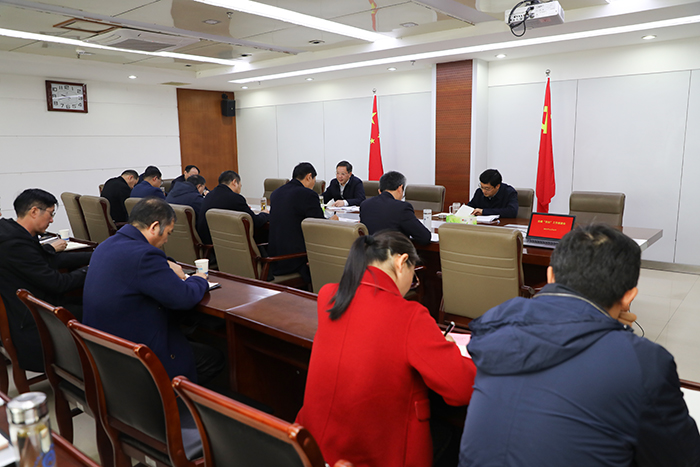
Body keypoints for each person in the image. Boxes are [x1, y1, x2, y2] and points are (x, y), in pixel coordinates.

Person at [459, 224, 700, 466]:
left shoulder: (496, 325)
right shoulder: (643, 362)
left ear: (550, 276)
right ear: (629, 297)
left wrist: (605, 327)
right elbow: (683, 459)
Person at [297, 231, 476, 467]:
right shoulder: (409, 315)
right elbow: (461, 388)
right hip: (375, 454)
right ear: (402, 262)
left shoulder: (329, 295)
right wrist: (447, 348)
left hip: (314, 445)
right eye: (413, 276)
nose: (411, 284)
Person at [83, 197, 224, 383]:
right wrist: (199, 279)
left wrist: (165, 263)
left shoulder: (106, 245)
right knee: (214, 358)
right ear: (155, 227)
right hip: (140, 356)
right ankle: (181, 399)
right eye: (168, 233)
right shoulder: (145, 255)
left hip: (105, 350)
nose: (166, 240)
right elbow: (184, 297)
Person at [0, 189, 91, 372]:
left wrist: (96, 255)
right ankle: (95, 369)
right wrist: (91, 270)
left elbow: (50, 260)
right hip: (31, 322)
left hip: (32, 307)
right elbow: (58, 284)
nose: (51, 220)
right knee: (100, 309)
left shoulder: (14, 232)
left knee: (89, 301)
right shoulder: (15, 245)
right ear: (34, 211)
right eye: (51, 214)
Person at [269, 162, 337, 282]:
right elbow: (319, 228)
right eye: (314, 180)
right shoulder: (308, 194)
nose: (313, 184)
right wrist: (331, 221)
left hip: (274, 258)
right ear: (309, 177)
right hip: (295, 259)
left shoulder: (276, 193)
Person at [197, 170, 269, 245]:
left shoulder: (209, 195)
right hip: (228, 244)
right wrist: (264, 214)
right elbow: (256, 222)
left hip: (210, 243)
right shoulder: (235, 198)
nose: (240, 189)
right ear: (234, 182)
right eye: (240, 185)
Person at [359, 171, 431, 245]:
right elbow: (424, 237)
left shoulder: (365, 204)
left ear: (380, 190)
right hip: (393, 251)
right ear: (400, 188)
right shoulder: (402, 207)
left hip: (369, 251)